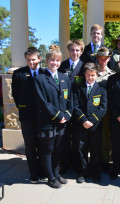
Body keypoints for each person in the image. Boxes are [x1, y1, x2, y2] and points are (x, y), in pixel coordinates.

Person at [34, 45, 72, 188]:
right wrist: (58, 116)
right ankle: (50, 177)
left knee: (57, 149)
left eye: (57, 60)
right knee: (48, 150)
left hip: (62, 121)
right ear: (47, 61)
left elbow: (70, 99)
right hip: (48, 121)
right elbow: (43, 102)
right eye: (52, 60)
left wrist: (67, 115)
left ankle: (56, 174)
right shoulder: (40, 79)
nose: (55, 63)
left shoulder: (64, 78)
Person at [12, 47, 45, 183]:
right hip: (27, 117)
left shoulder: (45, 73)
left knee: (43, 145)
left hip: (43, 116)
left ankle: (43, 170)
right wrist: (24, 108)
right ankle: (34, 173)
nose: (31, 62)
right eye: (28, 60)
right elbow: (16, 95)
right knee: (30, 145)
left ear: (39, 59)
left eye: (33, 59)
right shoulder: (19, 74)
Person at [73, 62, 107, 183]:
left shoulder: (102, 89)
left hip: (95, 126)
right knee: (81, 149)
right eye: (88, 75)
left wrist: (91, 121)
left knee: (95, 149)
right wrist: (84, 120)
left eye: (93, 75)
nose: (90, 77)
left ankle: (95, 171)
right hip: (81, 125)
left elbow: (103, 108)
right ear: (85, 74)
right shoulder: (78, 88)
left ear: (96, 75)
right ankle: (82, 171)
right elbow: (75, 106)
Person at [58, 39, 85, 174]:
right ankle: (65, 164)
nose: (75, 52)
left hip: (79, 107)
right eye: (72, 50)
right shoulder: (61, 66)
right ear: (69, 51)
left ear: (81, 51)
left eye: (77, 50)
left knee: (77, 139)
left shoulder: (84, 66)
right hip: (64, 106)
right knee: (64, 138)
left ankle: (77, 165)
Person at [92, 47, 116, 173]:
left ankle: (105, 162)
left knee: (105, 137)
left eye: (105, 58)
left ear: (109, 59)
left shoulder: (113, 74)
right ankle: (94, 162)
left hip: (107, 112)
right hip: (93, 111)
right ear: (97, 58)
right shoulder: (92, 73)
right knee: (94, 137)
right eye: (101, 58)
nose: (103, 61)